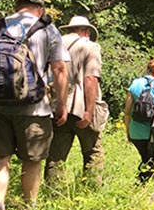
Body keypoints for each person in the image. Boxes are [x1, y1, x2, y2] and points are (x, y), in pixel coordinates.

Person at [0, 0, 69, 210]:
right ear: (40, 9)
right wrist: (61, 104)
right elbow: (59, 69)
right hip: (35, 108)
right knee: (33, 161)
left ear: (18, 5)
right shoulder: (47, 30)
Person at [44, 16, 107, 186]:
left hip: (56, 107)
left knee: (56, 156)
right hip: (80, 108)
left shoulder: (54, 45)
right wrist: (89, 112)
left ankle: (52, 192)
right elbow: (91, 79)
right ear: (85, 31)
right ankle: (91, 191)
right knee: (93, 152)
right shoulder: (90, 46)